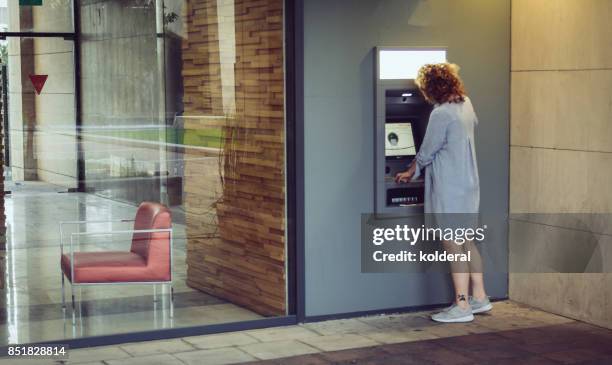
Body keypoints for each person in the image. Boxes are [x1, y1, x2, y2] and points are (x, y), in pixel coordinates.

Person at [395, 63, 491, 323]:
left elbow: (427, 150)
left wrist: (409, 172)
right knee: (467, 241)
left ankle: (461, 307)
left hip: (451, 186)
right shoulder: (466, 104)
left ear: (431, 87)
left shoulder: (441, 114)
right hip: (469, 184)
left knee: (452, 245)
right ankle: (479, 298)